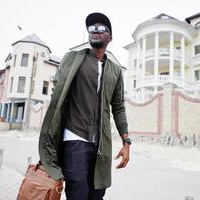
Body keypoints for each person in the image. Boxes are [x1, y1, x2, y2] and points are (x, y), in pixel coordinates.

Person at [38, 12, 131, 200]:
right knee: (77, 194)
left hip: (102, 145)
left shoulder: (115, 71)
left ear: (110, 37)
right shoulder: (73, 59)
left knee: (97, 194)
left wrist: (126, 141)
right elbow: (58, 91)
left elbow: (118, 107)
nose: (95, 31)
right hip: (75, 138)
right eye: (92, 28)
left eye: (101, 28)